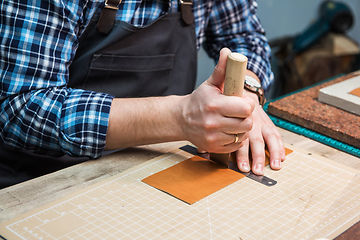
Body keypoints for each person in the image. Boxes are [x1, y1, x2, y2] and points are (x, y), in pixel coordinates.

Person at [0, 0, 285, 188]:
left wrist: (245, 95)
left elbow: (243, 36)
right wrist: (180, 117)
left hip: (154, 166)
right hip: (44, 180)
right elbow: (21, 108)